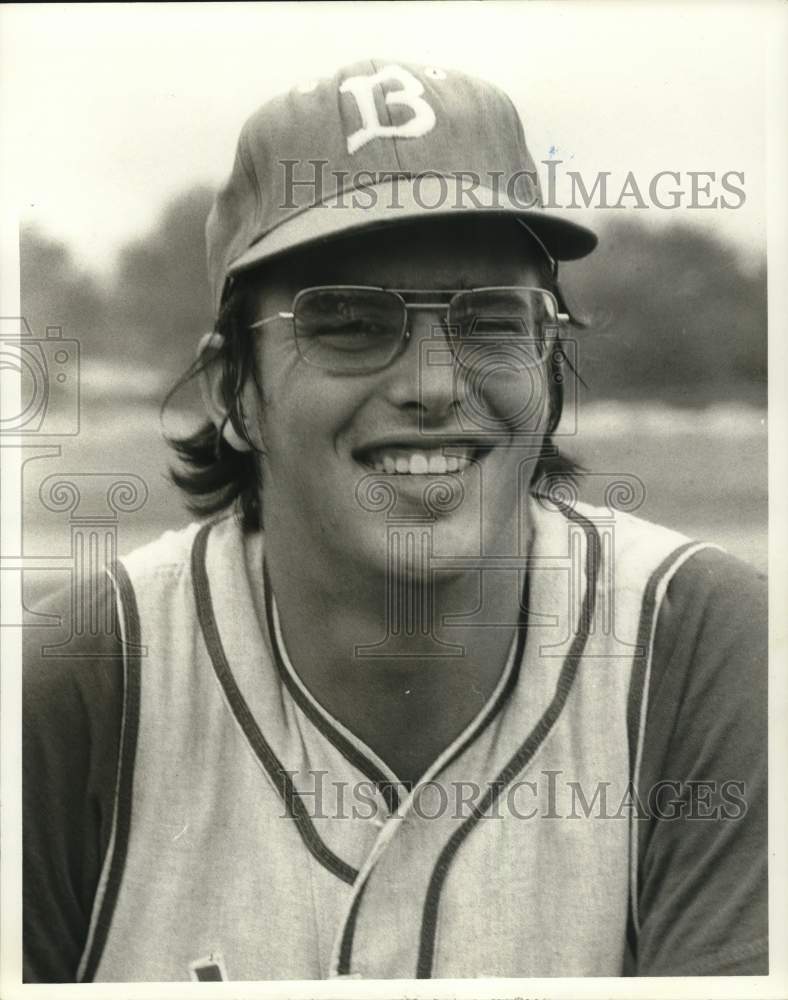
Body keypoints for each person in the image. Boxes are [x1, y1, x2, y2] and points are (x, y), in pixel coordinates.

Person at [23, 59, 767, 982]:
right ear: (233, 393)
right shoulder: (82, 682)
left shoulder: (704, 652)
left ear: (546, 360)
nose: (433, 385)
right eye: (347, 321)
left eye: (491, 319)